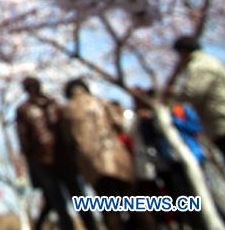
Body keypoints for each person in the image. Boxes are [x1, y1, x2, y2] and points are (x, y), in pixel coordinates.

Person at [61, 79, 156, 230]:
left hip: (90, 163)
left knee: (109, 208)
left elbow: (68, 140)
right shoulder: (100, 101)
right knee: (134, 202)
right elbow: (119, 124)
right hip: (115, 156)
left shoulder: (66, 111)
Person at [15, 77, 96, 230]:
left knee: (71, 200)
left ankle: (89, 225)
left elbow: (24, 141)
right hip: (50, 161)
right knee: (64, 202)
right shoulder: (48, 106)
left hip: (55, 159)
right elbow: (24, 140)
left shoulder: (50, 106)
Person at [171, 35, 225, 165]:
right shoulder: (213, 61)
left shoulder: (199, 66)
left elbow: (193, 93)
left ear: (183, 51)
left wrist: (172, 95)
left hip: (222, 121)